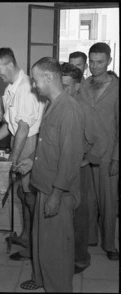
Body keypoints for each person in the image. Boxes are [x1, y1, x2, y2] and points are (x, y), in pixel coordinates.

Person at [20, 57, 84, 292]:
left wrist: (57, 195)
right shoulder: (52, 103)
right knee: (42, 241)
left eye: (36, 80)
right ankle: (41, 279)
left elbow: (70, 158)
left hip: (58, 190)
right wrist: (30, 162)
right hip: (44, 184)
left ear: (48, 77)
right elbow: (49, 145)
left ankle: (58, 287)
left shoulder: (69, 109)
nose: (34, 86)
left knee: (57, 246)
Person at [0, 48, 45, 261]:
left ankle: (35, 246)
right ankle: (26, 236)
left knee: (31, 197)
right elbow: (10, 126)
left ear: (10, 64)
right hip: (19, 140)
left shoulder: (25, 88)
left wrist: (12, 162)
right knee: (23, 195)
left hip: (29, 144)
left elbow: (23, 129)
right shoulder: (10, 89)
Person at [61, 62, 108, 274]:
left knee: (79, 216)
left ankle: (81, 259)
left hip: (79, 170)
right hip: (63, 166)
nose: (63, 90)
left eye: (68, 86)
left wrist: (86, 159)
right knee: (65, 216)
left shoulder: (83, 108)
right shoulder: (62, 102)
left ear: (79, 85)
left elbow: (101, 140)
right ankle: (66, 255)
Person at [79, 42, 119, 261]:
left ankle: (110, 244)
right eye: (91, 62)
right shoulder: (84, 86)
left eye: (100, 62)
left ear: (109, 61)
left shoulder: (116, 88)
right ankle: (90, 238)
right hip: (87, 154)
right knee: (88, 201)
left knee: (108, 201)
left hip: (108, 155)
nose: (94, 66)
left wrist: (116, 157)